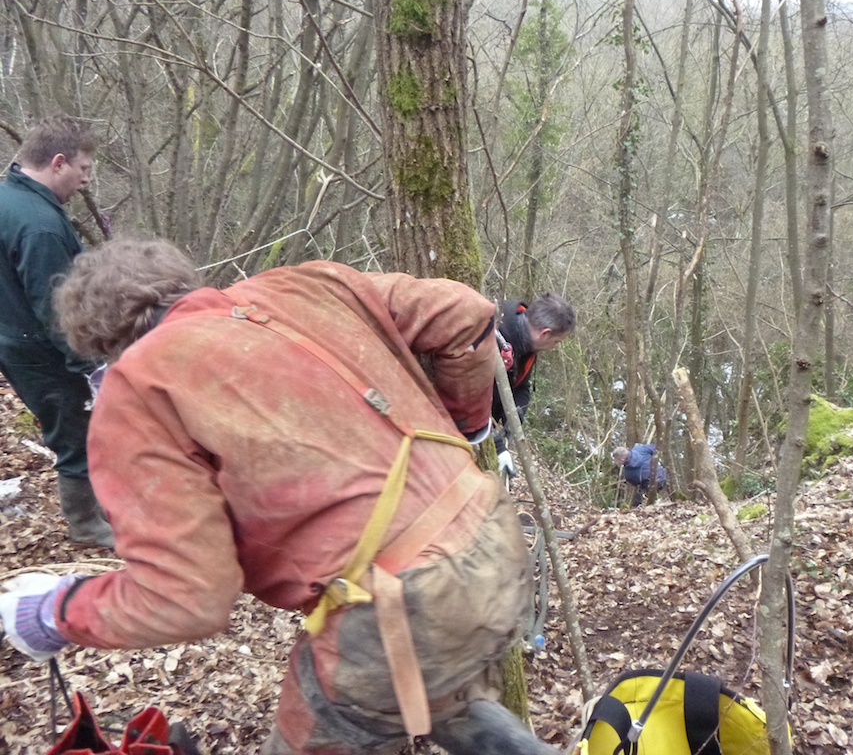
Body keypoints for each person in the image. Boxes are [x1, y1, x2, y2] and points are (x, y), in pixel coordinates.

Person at [0, 238, 558, 755]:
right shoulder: (305, 286)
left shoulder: (142, 385)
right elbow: (464, 311)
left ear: (103, 344)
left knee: (375, 692)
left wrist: (54, 613)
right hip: (491, 534)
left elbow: (185, 598)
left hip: (404, 596)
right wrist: (465, 423)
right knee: (432, 693)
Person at [0, 115, 112, 547]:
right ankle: (86, 525)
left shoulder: (10, 198)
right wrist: (88, 367)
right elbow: (56, 307)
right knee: (76, 430)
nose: (86, 180)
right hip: (38, 348)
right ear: (58, 162)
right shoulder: (39, 226)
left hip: (16, 335)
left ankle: (96, 510)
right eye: (84, 169)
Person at [491, 293, 575, 480]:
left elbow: (522, 387)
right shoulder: (494, 337)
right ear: (545, 333)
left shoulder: (527, 346)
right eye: (556, 341)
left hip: (487, 428)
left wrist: (515, 415)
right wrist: (497, 446)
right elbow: (466, 397)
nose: (554, 347)